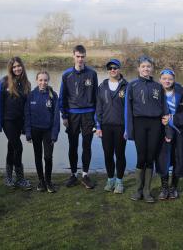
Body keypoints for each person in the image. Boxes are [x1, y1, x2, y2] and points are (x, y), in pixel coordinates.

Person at [125, 55, 167, 202]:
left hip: (155, 124)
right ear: (138, 69)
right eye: (143, 66)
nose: (146, 69)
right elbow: (128, 110)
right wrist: (128, 130)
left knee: (150, 158)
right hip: (139, 124)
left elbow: (164, 109)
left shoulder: (158, 87)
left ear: (152, 69)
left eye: (148, 66)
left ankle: (147, 191)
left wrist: (166, 130)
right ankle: (138, 190)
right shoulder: (132, 85)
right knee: (141, 157)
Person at [59, 44, 98, 189]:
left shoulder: (92, 74)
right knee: (73, 145)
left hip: (88, 115)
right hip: (72, 115)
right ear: (73, 56)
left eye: (82, 57)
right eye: (78, 56)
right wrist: (64, 115)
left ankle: (85, 175)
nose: (80, 59)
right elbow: (62, 97)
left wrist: (96, 117)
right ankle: (73, 174)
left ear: (85, 57)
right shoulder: (66, 75)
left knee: (87, 145)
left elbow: (96, 97)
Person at [156, 68, 183, 200]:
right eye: (164, 78)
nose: (167, 81)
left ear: (174, 80)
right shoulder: (155, 92)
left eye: (170, 79)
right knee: (163, 159)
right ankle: (164, 187)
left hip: (179, 131)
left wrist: (174, 118)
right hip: (161, 132)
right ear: (160, 79)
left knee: (178, 158)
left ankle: (173, 187)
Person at [0, 57, 32, 190]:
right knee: (18, 147)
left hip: (19, 121)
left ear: (22, 67)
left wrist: (27, 125)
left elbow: (28, 106)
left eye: (19, 66)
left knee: (11, 148)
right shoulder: (4, 82)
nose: (17, 69)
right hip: (7, 121)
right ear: (10, 68)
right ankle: (20, 179)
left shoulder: (26, 83)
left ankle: (9, 177)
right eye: (14, 67)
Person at [95, 59, 128, 194]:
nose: (112, 70)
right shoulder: (102, 87)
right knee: (108, 154)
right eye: (110, 68)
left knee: (120, 154)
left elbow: (130, 109)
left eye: (115, 67)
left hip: (121, 127)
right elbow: (98, 107)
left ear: (119, 69)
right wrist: (98, 126)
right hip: (106, 126)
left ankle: (119, 181)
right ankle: (110, 179)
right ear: (107, 70)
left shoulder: (127, 86)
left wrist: (128, 128)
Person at [24, 71, 60, 193]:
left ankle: (48, 181)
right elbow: (27, 115)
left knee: (48, 157)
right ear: (36, 80)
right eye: (40, 80)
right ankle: (41, 181)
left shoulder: (53, 95)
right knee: (38, 156)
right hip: (35, 131)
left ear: (48, 81)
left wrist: (55, 134)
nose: (43, 82)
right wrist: (28, 133)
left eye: (45, 80)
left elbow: (56, 117)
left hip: (48, 131)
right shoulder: (31, 95)